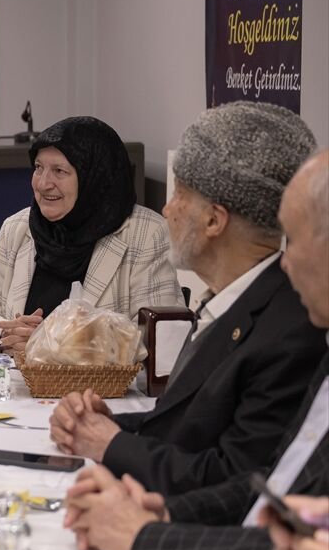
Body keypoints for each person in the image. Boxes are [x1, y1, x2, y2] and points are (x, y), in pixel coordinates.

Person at [63, 151, 329, 550]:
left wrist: (144, 537)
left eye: (294, 243)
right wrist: (166, 510)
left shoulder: (293, 332)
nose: (284, 262)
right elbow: (270, 487)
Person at [49, 102, 324, 493]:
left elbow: (233, 478)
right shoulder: (234, 300)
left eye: (179, 194)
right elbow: (187, 426)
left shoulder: (288, 333)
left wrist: (109, 443)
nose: (166, 208)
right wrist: (108, 425)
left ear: (214, 220)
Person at [0, 116, 181, 352]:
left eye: (59, 171)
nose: (43, 183)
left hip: (102, 389)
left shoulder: (146, 234)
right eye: (38, 168)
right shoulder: (17, 228)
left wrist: (52, 345)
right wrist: (8, 332)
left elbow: (157, 340)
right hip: (19, 384)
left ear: (93, 177)